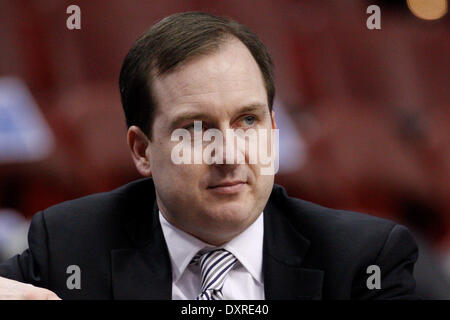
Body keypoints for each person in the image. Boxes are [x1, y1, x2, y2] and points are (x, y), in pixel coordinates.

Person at [0, 12, 419, 300]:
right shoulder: (72, 245)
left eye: (249, 121)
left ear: (275, 130)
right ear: (142, 151)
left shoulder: (362, 259)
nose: (230, 153)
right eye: (195, 129)